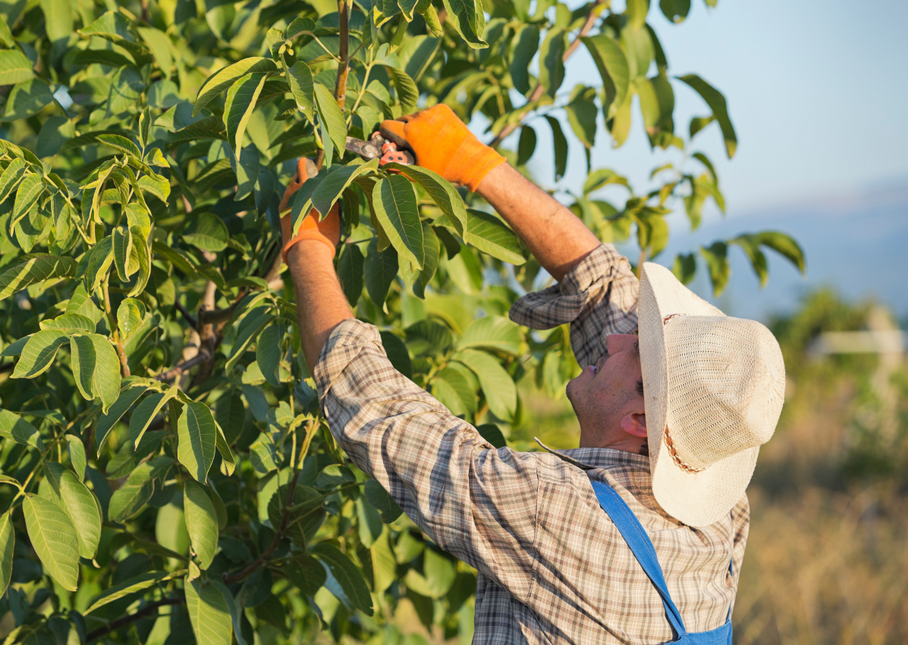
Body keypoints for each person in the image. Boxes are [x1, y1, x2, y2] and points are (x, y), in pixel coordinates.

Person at [280, 105, 786, 644]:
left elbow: (376, 407)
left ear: (641, 418)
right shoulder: (718, 510)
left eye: (636, 348)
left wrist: (307, 245)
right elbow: (604, 288)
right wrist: (474, 164)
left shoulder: (554, 510)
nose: (616, 338)